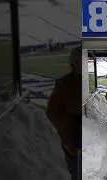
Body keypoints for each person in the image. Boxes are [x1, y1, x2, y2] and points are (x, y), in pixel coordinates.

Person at [46, 47, 81, 180]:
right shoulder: (64, 84)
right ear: (73, 64)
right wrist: (66, 137)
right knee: (75, 171)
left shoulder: (88, 84)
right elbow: (52, 113)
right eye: (77, 62)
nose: (81, 65)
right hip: (71, 140)